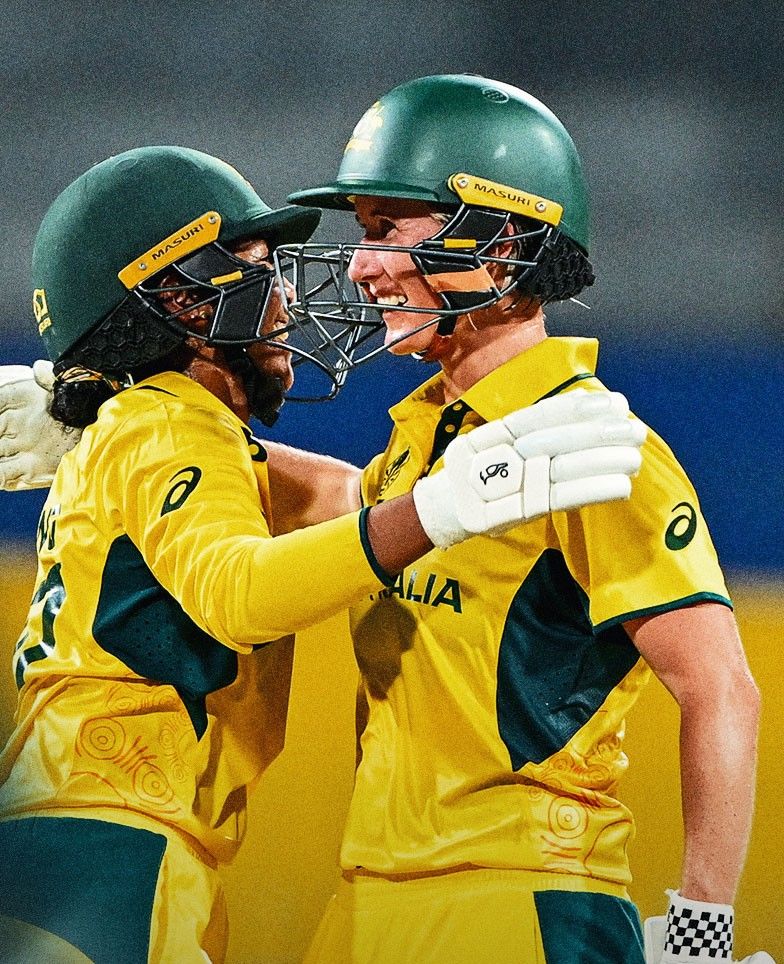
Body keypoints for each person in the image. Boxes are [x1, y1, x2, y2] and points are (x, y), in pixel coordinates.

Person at [0, 143, 647, 964]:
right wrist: (441, 507)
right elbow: (241, 593)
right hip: (116, 851)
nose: (288, 300)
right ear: (182, 299)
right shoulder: (173, 424)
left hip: (79, 835)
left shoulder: (150, 427)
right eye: (258, 270)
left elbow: (343, 502)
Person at [276, 74, 770, 963]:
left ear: (498, 242)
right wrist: (132, 418)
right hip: (370, 897)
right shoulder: (430, 429)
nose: (358, 264)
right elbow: (353, 507)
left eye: (387, 228)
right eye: (360, 232)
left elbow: (720, 687)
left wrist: (703, 928)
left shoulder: (599, 449)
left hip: (519, 906)